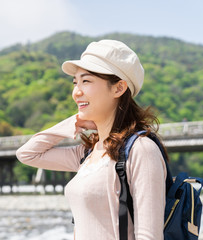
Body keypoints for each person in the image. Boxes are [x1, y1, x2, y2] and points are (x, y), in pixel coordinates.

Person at [16, 40, 168, 240]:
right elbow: (27, 154)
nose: (76, 92)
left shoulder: (141, 150)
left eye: (86, 81)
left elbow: (149, 236)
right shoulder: (87, 154)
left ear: (118, 88)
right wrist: (73, 122)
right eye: (75, 82)